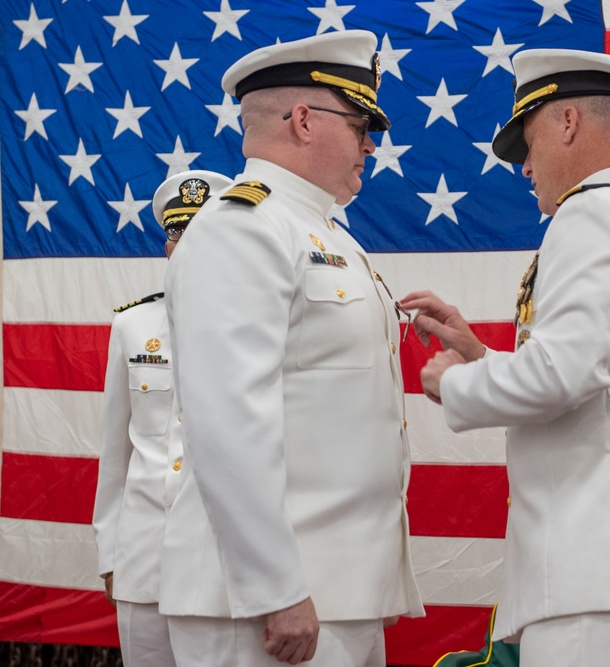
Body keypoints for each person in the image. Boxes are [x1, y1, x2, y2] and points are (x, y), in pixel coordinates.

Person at [400, 48, 610, 667]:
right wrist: (480, 350)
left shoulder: (589, 215)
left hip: (596, 567)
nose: (525, 169)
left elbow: (563, 376)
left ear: (568, 122)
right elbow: (602, 382)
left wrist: (453, 382)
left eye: (529, 141)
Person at [159, 31, 423, 667]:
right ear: (303, 120)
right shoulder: (241, 226)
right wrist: (275, 588)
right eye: (361, 123)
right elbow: (228, 421)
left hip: (336, 590)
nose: (370, 144)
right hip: (267, 603)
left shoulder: (322, 230)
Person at [92, 169, 232, 666]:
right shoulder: (132, 326)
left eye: (200, 233)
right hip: (143, 559)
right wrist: (111, 554)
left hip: (224, 567)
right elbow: (116, 454)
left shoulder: (263, 326)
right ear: (166, 245)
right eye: (176, 233)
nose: (185, 244)